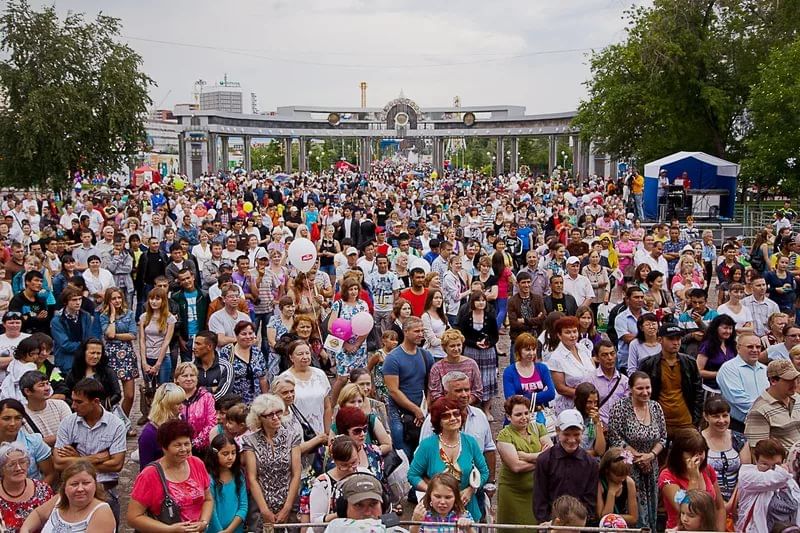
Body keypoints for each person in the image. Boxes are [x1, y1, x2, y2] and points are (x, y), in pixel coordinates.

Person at [53, 377, 126, 524]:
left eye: (79, 402)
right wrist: (97, 458)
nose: (73, 406)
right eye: (73, 400)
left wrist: (77, 458)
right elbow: (59, 464)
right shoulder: (68, 423)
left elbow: (117, 465)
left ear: (96, 402)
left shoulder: (116, 425)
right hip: (74, 491)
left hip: (105, 490)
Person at [408, 397, 489, 521]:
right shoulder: (427, 445)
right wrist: (432, 491)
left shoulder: (470, 442)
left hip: (467, 509)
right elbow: (413, 475)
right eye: (446, 416)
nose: (452, 418)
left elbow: (484, 472)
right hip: (437, 511)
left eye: (456, 413)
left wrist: (471, 490)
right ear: (438, 421)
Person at [127, 419, 213, 531]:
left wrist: (203, 522)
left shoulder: (197, 464)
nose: (184, 449)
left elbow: (208, 499)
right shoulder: (149, 475)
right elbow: (133, 517)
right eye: (177, 445)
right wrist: (169, 530)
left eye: (187, 444)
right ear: (164, 447)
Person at [242, 393, 301, 530]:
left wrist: (287, 507)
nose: (275, 417)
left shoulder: (292, 437)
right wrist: (264, 510)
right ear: (259, 418)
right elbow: (252, 477)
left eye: (278, 412)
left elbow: (296, 473)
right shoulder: (250, 441)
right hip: (261, 502)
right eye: (269, 415)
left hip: (288, 499)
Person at [533, 409, 599, 524]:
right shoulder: (544, 460)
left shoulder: (591, 463)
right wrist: (546, 523)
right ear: (557, 431)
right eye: (566, 434)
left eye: (576, 434)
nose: (572, 440)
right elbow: (540, 497)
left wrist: (577, 523)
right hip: (550, 524)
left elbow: (590, 500)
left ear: (582, 432)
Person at [496, 395, 552, 531]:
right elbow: (516, 466)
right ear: (509, 417)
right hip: (512, 491)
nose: (524, 417)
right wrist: (540, 459)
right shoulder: (505, 435)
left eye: (526, 413)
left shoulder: (539, 428)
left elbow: (551, 456)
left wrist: (525, 456)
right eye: (518, 414)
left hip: (537, 491)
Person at [638, 324, 704, 436]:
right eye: (671, 339)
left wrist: (695, 420)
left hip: (686, 421)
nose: (676, 342)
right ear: (660, 340)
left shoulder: (689, 362)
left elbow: (698, 392)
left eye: (678, 338)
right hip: (658, 422)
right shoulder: (648, 364)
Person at [383, 317, 434, 459]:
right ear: (405, 332)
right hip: (399, 414)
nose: (421, 334)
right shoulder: (393, 358)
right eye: (416, 331)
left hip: (422, 412)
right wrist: (415, 409)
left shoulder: (426, 355)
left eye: (422, 331)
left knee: (422, 454)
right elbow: (393, 390)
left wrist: (425, 408)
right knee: (403, 454)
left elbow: (430, 385)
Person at [657, 428, 726, 531]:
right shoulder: (667, 475)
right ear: (679, 454)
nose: (697, 458)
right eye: (691, 454)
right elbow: (683, 508)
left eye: (700, 453)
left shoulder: (707, 470)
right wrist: (693, 479)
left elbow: (720, 507)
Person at [20, 461, 115, 533]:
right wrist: (25, 530)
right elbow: (38, 514)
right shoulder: (59, 499)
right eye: (74, 484)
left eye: (86, 483)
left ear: (95, 485)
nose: (80, 489)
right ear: (64, 487)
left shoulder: (102, 512)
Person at [737, 438, 800, 533]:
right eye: (765, 464)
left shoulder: (790, 481)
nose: (770, 469)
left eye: (776, 465)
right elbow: (771, 479)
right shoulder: (747, 475)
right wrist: (782, 471)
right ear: (756, 460)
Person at [701, 396, 750, 512]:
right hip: (706, 501)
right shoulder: (698, 440)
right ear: (706, 417)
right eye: (716, 416)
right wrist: (719, 504)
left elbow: (745, 474)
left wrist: (732, 503)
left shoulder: (739, 439)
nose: (722, 420)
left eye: (725, 415)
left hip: (737, 500)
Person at [458, 291, 499, 418]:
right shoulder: (466, 318)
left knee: (487, 378)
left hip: (488, 352)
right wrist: (476, 343)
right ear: (472, 302)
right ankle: (471, 406)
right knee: (471, 379)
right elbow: (463, 336)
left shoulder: (490, 317)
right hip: (471, 352)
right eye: (478, 300)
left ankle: (486, 409)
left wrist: (488, 343)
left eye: (483, 300)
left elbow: (495, 336)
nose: (481, 303)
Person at [99, 287, 138, 422]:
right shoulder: (103, 316)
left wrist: (115, 336)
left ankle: (123, 421)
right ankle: (113, 422)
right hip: (110, 356)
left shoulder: (129, 314)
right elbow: (108, 334)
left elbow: (133, 335)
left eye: (119, 298)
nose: (117, 301)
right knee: (113, 394)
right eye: (113, 298)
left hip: (127, 355)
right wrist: (112, 317)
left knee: (130, 395)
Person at [717, 332, 769, 432]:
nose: (755, 350)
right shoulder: (729, 369)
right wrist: (767, 412)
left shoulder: (765, 369)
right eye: (750, 347)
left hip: (765, 422)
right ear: (738, 348)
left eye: (758, 347)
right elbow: (738, 399)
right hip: (739, 427)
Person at [279, 340, 332, 437]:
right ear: (291, 357)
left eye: (307, 353)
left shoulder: (320, 374)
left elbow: (327, 406)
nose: (305, 357)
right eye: (300, 354)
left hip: (320, 432)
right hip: (295, 433)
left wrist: (327, 432)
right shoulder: (285, 378)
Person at [745, 360, 800, 452]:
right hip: (784, 464)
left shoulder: (797, 398)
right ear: (773, 381)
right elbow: (759, 453)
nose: (794, 383)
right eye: (788, 380)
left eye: (796, 378)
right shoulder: (759, 410)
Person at [0, 442, 54, 532]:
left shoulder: (43, 489)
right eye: (11, 465)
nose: (18, 468)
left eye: (22, 462)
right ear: (1, 470)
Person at [0, 398, 55, 487]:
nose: (12, 423)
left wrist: (36, 494)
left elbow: (51, 474)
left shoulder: (35, 442)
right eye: (6, 418)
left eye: (18, 418)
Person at [549, 316, 595, 414]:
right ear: (559, 335)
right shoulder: (556, 358)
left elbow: (593, 370)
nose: (573, 335)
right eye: (568, 332)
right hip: (570, 406)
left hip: (592, 403)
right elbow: (560, 388)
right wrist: (584, 395)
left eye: (575, 331)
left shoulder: (584, 349)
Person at [138, 382, 186, 470]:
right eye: (177, 403)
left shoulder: (181, 419)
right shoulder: (149, 434)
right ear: (166, 406)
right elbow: (145, 469)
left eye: (182, 402)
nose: (182, 407)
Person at [427, 329, 482, 406]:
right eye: (452, 346)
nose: (456, 349)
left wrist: (465, 403)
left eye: (458, 345)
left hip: (468, 405)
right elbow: (435, 393)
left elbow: (478, 391)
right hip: (446, 408)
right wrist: (451, 405)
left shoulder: (472, 364)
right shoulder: (437, 367)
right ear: (444, 347)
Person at [218, 321, 268, 405]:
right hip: (235, 403)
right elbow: (221, 378)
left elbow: (262, 378)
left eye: (250, 333)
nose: (248, 337)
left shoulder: (257, 351)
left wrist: (266, 399)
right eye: (244, 334)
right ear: (236, 335)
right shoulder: (227, 351)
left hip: (256, 402)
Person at [64, 339, 121, 410]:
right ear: (83, 353)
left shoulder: (108, 372)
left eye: (98, 353)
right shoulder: (73, 373)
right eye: (92, 353)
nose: (95, 356)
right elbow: (66, 395)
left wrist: (101, 406)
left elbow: (117, 394)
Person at [49, 287, 95, 374]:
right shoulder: (57, 320)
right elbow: (65, 344)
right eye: (74, 300)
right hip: (66, 362)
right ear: (66, 302)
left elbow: (88, 337)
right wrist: (85, 347)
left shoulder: (86, 316)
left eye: (80, 299)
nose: (78, 303)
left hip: (84, 360)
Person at [20, 371, 71, 447]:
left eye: (47, 384)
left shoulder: (60, 405)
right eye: (41, 385)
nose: (47, 388)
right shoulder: (20, 414)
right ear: (27, 391)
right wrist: (61, 437)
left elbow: (72, 433)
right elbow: (28, 444)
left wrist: (40, 442)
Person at [503, 332, 556, 407]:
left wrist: (523, 397)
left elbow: (551, 394)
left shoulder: (542, 368)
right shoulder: (509, 372)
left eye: (533, 349)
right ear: (519, 350)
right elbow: (510, 399)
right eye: (527, 350)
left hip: (541, 412)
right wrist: (540, 396)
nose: (531, 353)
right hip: (519, 413)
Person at [409, 473, 475, 533]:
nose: (442, 502)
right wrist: (416, 522)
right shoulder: (423, 516)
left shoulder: (464, 515)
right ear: (430, 496)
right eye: (437, 496)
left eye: (448, 497)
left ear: (456, 498)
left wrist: (468, 528)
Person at [174, 362, 216, 454]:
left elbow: (211, 423)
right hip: (177, 449)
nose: (189, 379)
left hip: (202, 449)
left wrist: (194, 444)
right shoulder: (172, 398)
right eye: (185, 376)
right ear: (176, 379)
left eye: (192, 375)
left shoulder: (207, 397)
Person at [138, 287, 177, 385]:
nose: (154, 302)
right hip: (147, 355)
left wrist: (158, 364)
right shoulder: (143, 317)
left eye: (157, 299)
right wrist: (143, 362)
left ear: (163, 301)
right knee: (149, 388)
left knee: (163, 388)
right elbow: (142, 340)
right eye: (151, 299)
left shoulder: (170, 318)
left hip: (163, 356)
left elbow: (166, 341)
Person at [589, 341, 629, 426]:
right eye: (604, 355)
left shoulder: (624, 381)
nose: (610, 358)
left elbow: (628, 407)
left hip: (620, 428)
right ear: (597, 358)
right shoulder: (590, 380)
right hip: (598, 428)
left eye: (612, 353)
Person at [696, 314, 737, 394]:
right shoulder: (707, 345)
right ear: (716, 328)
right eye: (725, 328)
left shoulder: (732, 345)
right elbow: (699, 371)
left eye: (730, 328)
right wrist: (719, 374)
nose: (728, 331)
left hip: (730, 389)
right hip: (711, 389)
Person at [574, 383, 607, 457]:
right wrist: (592, 453)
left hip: (591, 462)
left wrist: (597, 423)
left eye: (595, 402)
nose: (593, 406)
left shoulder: (594, 418)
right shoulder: (571, 417)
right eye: (589, 402)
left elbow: (600, 451)